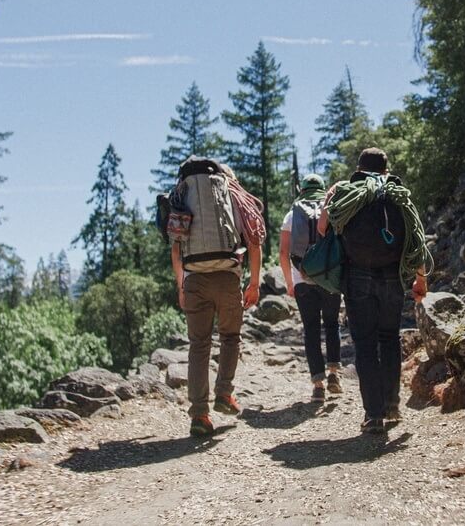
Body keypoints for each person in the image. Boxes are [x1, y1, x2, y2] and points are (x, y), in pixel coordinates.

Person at [318, 148, 431, 435]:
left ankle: (373, 415)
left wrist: (329, 201)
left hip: (357, 277)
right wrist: (421, 280)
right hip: (393, 276)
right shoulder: (397, 193)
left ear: (359, 167)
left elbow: (322, 229)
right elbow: (415, 239)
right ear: (385, 169)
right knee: (389, 339)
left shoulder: (347, 192)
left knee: (366, 345)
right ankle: (392, 405)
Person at [168, 158, 265, 437]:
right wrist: (254, 283)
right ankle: (224, 394)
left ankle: (200, 414)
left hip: (195, 278)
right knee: (230, 337)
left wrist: (182, 286)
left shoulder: (182, 196)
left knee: (199, 345)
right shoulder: (232, 194)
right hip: (227, 276)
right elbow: (254, 241)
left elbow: (176, 251)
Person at [280, 174, 344, 404]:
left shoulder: (292, 215)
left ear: (302, 190)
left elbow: (283, 253)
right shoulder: (333, 209)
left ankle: (318, 386)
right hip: (330, 278)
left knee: (311, 329)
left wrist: (290, 281)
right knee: (332, 323)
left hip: (302, 280)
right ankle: (334, 374)